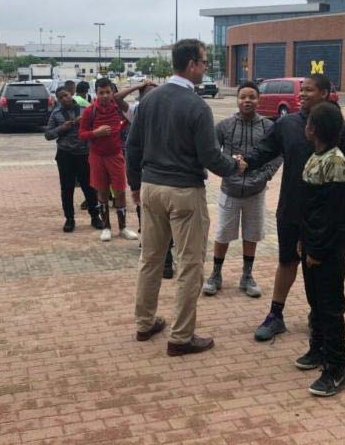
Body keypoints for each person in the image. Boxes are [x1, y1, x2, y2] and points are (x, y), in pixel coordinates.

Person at [128, 39, 246, 356]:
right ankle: (181, 337)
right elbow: (209, 156)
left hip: (152, 188)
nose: (206, 68)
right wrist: (233, 165)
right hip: (184, 192)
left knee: (150, 259)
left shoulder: (149, 100)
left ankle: (144, 323)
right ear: (192, 64)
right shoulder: (197, 106)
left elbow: (133, 146)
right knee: (190, 265)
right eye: (204, 62)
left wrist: (134, 184)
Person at [242, 74, 345, 342]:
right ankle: (276, 315)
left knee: (318, 268)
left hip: (323, 218)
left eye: (309, 90)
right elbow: (264, 150)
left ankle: (318, 318)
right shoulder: (286, 125)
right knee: (287, 261)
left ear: (324, 93)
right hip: (292, 210)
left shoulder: (339, 128)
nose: (302, 94)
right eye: (302, 90)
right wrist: (242, 163)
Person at [296, 102, 345, 397]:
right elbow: (309, 209)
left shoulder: (335, 162)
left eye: (308, 122)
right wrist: (303, 241)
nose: (304, 126)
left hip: (327, 249)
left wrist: (317, 249)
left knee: (330, 307)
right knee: (316, 302)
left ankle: (336, 369)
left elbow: (332, 215)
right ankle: (317, 350)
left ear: (314, 129)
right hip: (311, 245)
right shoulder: (315, 157)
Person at [203, 81, 281, 298]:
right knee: (223, 234)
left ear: (259, 100)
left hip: (256, 191)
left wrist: (264, 176)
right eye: (243, 97)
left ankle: (247, 276)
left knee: (251, 234)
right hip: (229, 190)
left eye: (252, 97)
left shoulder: (268, 127)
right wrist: (227, 170)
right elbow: (211, 153)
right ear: (237, 100)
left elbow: (277, 155)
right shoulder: (225, 125)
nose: (247, 101)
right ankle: (215, 274)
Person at [116, 80, 176, 279]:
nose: (152, 97)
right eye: (147, 94)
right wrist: (138, 85)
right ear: (141, 98)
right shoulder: (136, 111)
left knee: (165, 215)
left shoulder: (169, 110)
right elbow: (117, 99)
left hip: (167, 173)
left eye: (155, 93)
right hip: (145, 172)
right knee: (148, 213)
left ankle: (165, 257)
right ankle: (157, 253)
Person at [78, 77, 138, 242]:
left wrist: (121, 126)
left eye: (108, 92)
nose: (104, 96)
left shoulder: (117, 108)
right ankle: (106, 227)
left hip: (116, 155)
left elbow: (128, 120)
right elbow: (81, 134)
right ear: (96, 93)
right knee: (102, 191)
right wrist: (95, 133)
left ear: (113, 93)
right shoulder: (91, 111)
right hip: (97, 157)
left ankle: (123, 227)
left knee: (120, 191)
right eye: (101, 93)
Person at [45, 86, 104, 233]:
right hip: (65, 155)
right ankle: (69, 219)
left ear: (71, 94)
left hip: (84, 153)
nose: (65, 98)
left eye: (66, 95)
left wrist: (84, 124)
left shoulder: (85, 110)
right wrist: (62, 128)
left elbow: (96, 128)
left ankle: (95, 216)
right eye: (61, 97)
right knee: (67, 188)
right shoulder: (56, 114)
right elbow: (48, 135)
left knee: (89, 187)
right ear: (58, 100)